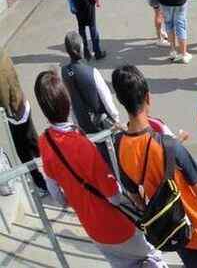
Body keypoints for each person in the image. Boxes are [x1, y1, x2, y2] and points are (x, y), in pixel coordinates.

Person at [34, 71, 168, 267]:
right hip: (117, 227)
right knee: (152, 257)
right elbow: (113, 195)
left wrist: (73, 200)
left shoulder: (45, 142)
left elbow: (56, 193)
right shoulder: (83, 145)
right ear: (68, 103)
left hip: (92, 228)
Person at [111, 66, 197, 268]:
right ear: (148, 97)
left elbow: (134, 196)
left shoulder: (120, 146)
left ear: (122, 101)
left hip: (175, 231)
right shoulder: (169, 145)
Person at [0, 49, 48, 193]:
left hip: (13, 113)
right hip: (22, 102)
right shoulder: (3, 55)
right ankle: (50, 170)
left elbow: (3, 94)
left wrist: (7, 111)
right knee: (33, 140)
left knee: (23, 151)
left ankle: (40, 183)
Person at [59, 31, 119, 137]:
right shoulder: (92, 72)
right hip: (102, 126)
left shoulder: (64, 72)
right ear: (81, 49)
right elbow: (106, 98)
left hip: (83, 128)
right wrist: (116, 119)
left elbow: (70, 102)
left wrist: (76, 124)